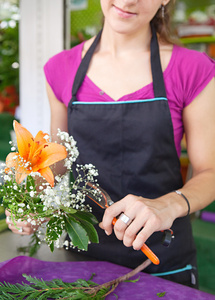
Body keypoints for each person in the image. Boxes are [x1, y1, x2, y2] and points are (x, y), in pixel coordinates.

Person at [6, 0, 215, 288]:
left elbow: (210, 171)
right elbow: (58, 159)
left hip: (162, 260)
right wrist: (31, 199)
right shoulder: (60, 68)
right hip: (81, 265)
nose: (128, 1)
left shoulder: (193, 69)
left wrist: (166, 206)